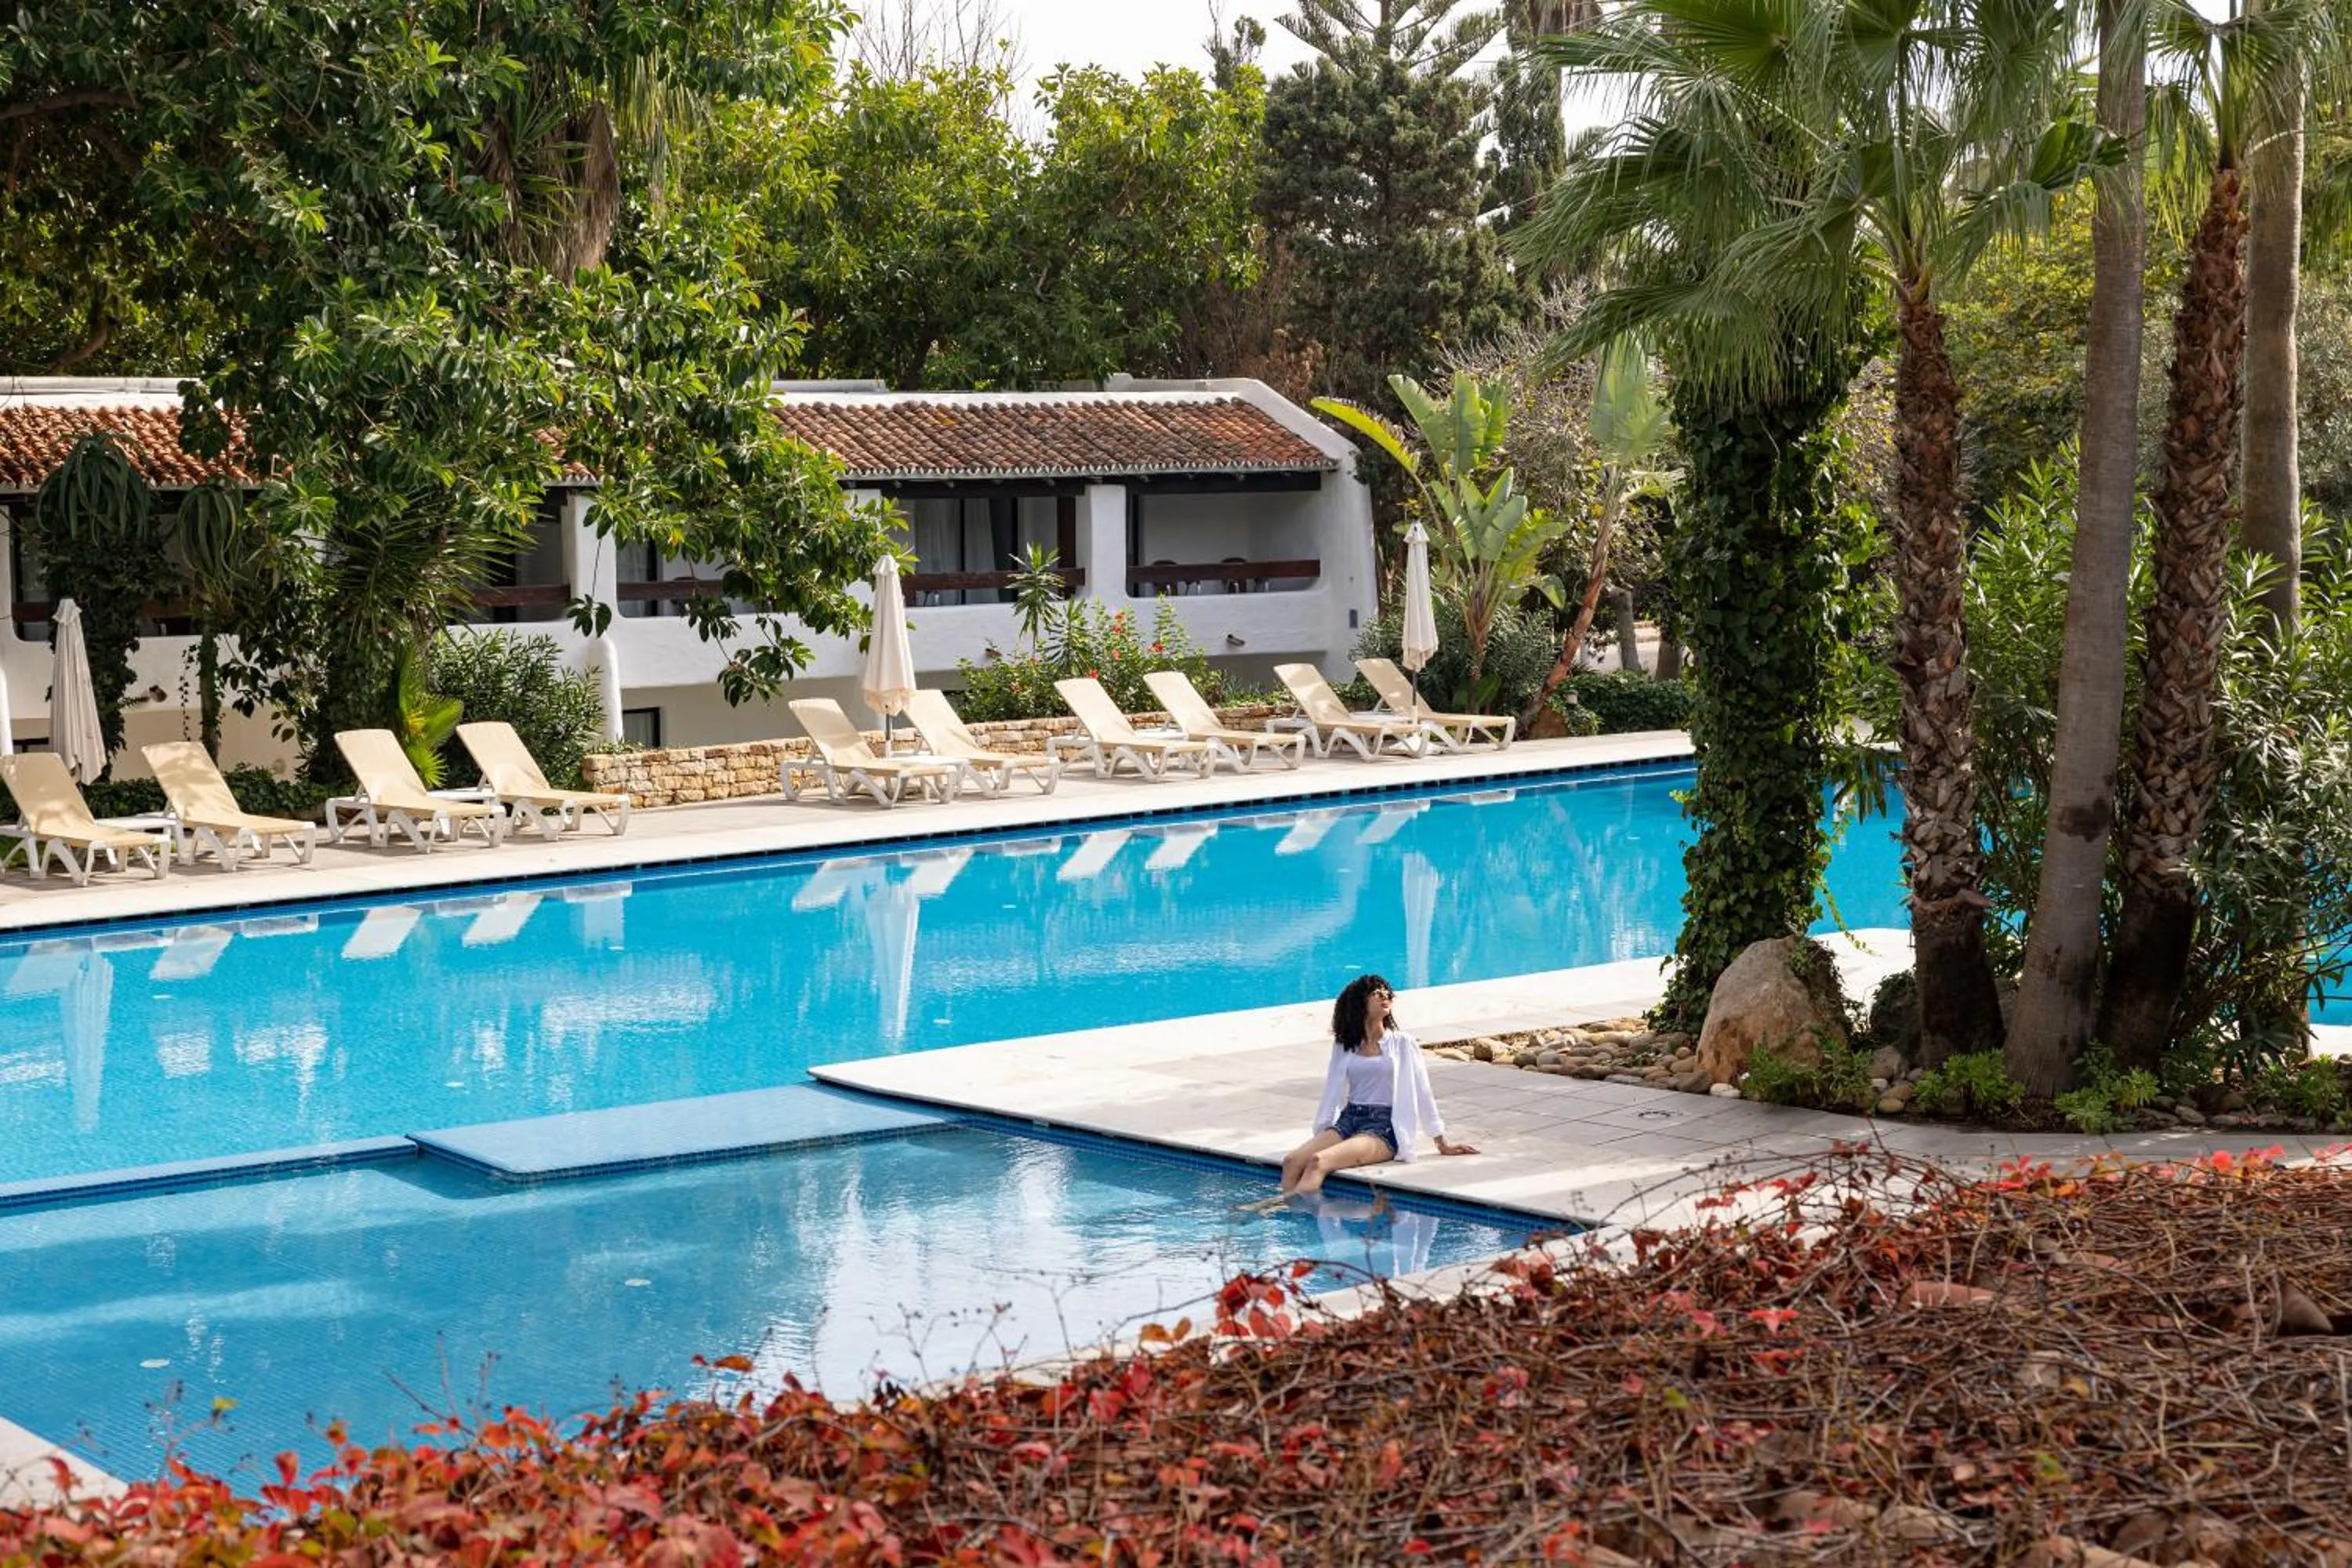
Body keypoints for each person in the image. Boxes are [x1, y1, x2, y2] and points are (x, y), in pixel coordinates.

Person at [1273, 975, 1477, 1200]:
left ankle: (1281, 1209)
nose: (1385, 996)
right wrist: (1322, 1131)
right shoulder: (1345, 1045)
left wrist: (1441, 1142)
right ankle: (1289, 1211)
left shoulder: (1403, 1043)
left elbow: (1423, 1091)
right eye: (1376, 993)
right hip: (1349, 1119)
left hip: (1384, 1127)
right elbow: (1331, 1091)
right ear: (1360, 1003)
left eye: (1387, 992)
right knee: (1292, 1161)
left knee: (1318, 1161)